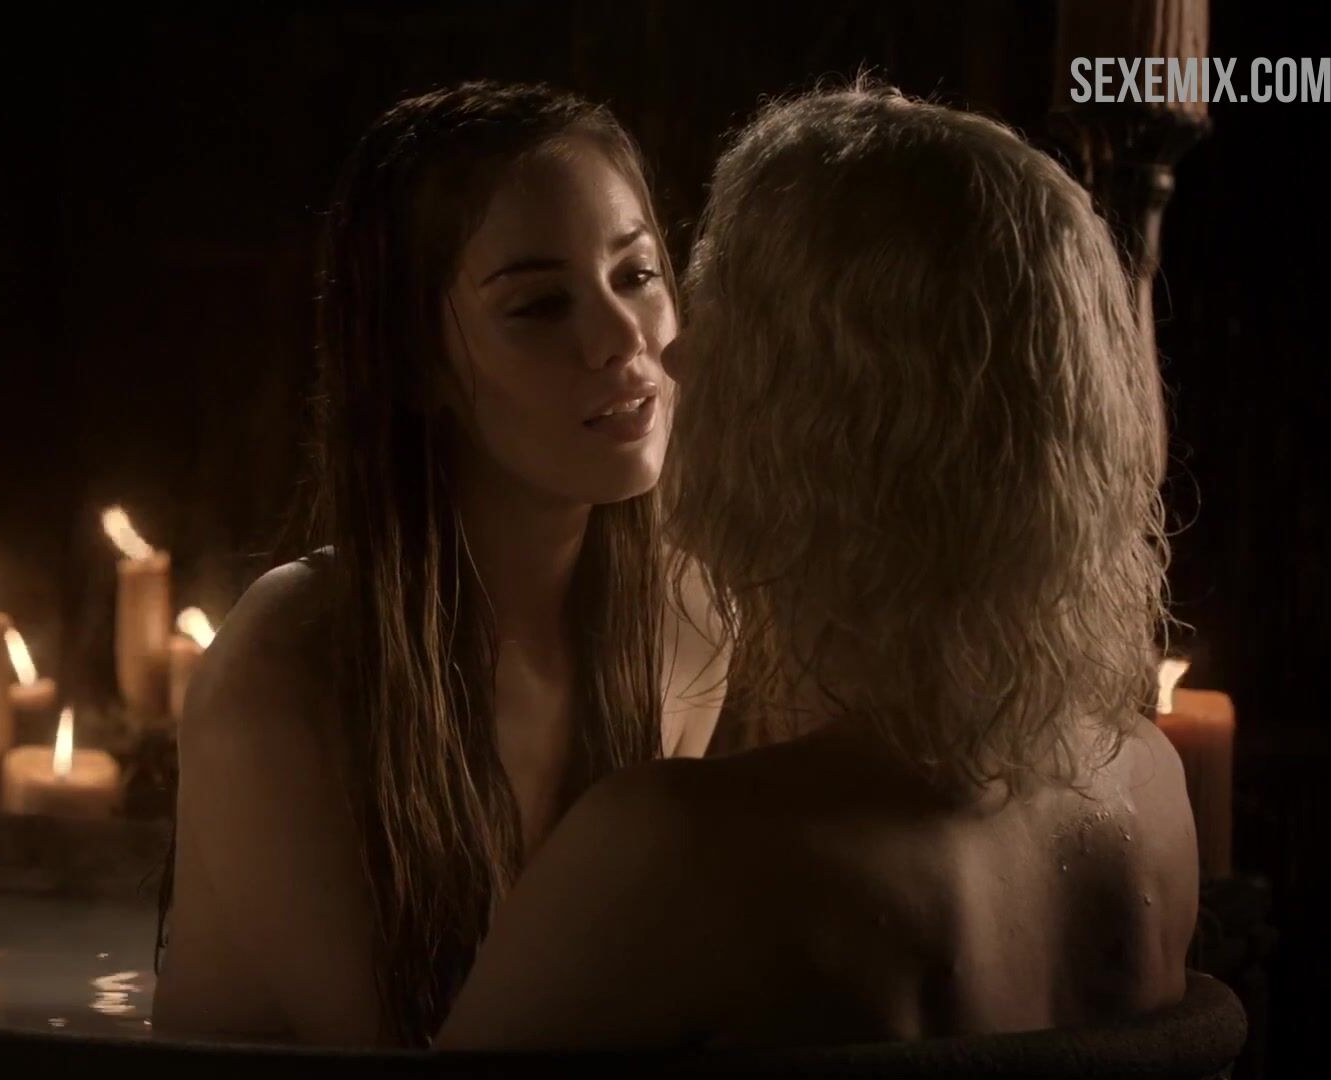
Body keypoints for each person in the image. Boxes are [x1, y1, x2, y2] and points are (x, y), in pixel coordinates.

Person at [440, 83, 1198, 1050]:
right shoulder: (1148, 789)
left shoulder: (667, 854)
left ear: (823, 408)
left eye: (725, 316)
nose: (673, 358)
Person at [152, 80, 720, 1046]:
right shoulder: (289, 669)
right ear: (415, 361)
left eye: (635, 275)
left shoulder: (692, 620)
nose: (622, 338)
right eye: (540, 305)